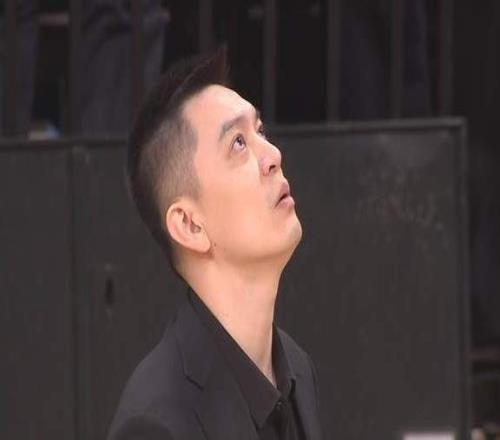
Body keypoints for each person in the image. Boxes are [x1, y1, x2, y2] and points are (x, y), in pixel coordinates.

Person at [107, 47, 323, 440]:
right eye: (238, 143)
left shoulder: (296, 368)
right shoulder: (156, 423)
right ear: (189, 224)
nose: (272, 155)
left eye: (260, 132)